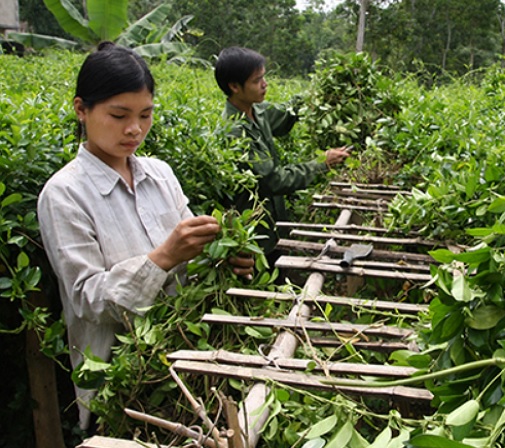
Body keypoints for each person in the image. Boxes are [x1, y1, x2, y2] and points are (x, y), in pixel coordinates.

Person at [37, 42, 254, 433]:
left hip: (188, 367)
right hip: (122, 389)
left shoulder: (160, 174)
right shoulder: (64, 194)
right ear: (81, 110)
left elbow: (196, 260)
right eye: (119, 115)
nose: (134, 129)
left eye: (145, 114)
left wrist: (225, 257)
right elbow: (87, 298)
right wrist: (162, 258)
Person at [214, 46, 350, 265]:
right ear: (234, 87)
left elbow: (286, 115)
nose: (265, 84)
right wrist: (321, 164)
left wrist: (319, 91)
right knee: (264, 281)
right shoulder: (234, 133)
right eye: (257, 80)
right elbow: (274, 180)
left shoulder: (258, 111)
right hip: (254, 232)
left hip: (276, 222)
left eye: (263, 77)